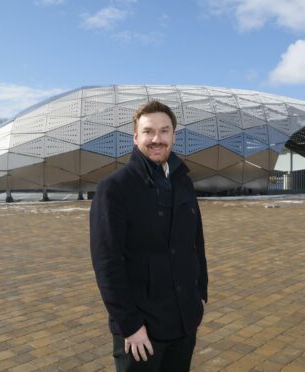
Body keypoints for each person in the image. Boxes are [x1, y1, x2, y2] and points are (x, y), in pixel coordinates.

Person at [90, 100, 208, 371]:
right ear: (135, 137)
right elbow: (107, 264)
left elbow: (195, 243)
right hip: (142, 332)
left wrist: (200, 294)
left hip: (184, 322)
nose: (157, 139)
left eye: (164, 131)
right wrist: (130, 326)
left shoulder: (183, 182)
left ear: (174, 136)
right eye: (148, 131)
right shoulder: (114, 188)